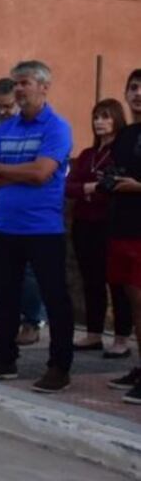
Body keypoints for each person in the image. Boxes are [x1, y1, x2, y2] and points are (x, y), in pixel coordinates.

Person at [0, 60, 75, 393]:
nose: (18, 89)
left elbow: (42, 173)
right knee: (6, 297)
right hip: (5, 226)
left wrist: (2, 169)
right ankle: (4, 359)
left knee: (55, 298)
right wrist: (14, 172)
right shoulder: (6, 129)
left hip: (43, 229)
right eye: (15, 83)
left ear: (44, 87)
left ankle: (59, 366)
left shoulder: (57, 127)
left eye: (25, 83)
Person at [0, 78, 45, 342]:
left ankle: (31, 321)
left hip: (22, 206)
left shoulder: (30, 126)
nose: (2, 111)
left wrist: (2, 171)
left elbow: (33, 170)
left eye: (7, 106)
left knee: (26, 268)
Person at [66, 99, 131, 356]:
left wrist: (90, 189)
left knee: (117, 282)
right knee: (90, 280)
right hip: (84, 223)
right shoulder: (87, 155)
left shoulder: (120, 153)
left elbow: (114, 186)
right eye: (96, 117)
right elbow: (69, 186)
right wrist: (91, 187)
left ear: (117, 119)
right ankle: (93, 333)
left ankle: (121, 338)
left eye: (105, 116)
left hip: (110, 223)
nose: (99, 122)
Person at [105, 69, 141, 404]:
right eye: (133, 87)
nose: (138, 93)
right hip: (122, 227)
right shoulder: (127, 134)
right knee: (131, 302)